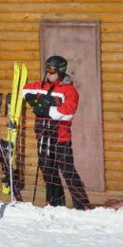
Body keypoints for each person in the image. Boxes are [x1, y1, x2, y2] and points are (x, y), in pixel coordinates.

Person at [23, 55, 91, 210]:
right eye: (46, 70)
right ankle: (55, 203)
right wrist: (31, 98)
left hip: (61, 138)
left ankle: (82, 205)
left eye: (51, 71)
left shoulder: (69, 90)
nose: (48, 74)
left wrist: (48, 109)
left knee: (67, 170)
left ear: (60, 71)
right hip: (43, 136)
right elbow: (25, 89)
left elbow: (68, 112)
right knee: (48, 170)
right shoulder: (42, 85)